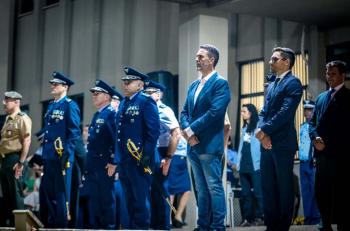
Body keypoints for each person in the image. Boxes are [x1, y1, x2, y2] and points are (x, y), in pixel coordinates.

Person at [180, 44, 231, 231]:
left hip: (209, 145)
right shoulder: (194, 85)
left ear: (212, 60)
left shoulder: (220, 83)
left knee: (214, 188)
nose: (197, 59)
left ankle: (218, 226)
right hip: (193, 146)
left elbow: (215, 113)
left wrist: (191, 129)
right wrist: (188, 132)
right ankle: (203, 226)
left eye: (201, 57)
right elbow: (184, 111)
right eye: (196, 56)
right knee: (200, 190)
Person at [255, 47, 303, 231]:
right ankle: (271, 225)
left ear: (286, 62)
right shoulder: (273, 84)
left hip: (282, 143)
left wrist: (265, 130)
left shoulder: (293, 83)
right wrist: (261, 131)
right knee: (267, 186)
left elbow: (285, 113)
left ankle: (283, 227)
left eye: (274, 59)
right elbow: (264, 111)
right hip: (266, 142)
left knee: (284, 187)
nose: (270, 62)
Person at [115, 67, 160, 229]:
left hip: (140, 159)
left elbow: (153, 132)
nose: (125, 84)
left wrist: (146, 157)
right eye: (124, 82)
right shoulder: (123, 103)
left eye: (129, 82)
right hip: (125, 160)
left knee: (140, 200)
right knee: (129, 201)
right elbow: (119, 134)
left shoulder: (146, 101)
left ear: (140, 85)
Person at [309, 60, 350, 231]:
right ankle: (324, 222)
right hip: (322, 153)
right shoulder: (320, 98)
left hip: (342, 153)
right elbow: (312, 123)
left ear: (343, 75)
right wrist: (315, 138)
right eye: (327, 73)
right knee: (321, 190)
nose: (329, 76)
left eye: (333, 73)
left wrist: (327, 143)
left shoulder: (349, 97)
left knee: (342, 191)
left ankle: (344, 223)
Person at [39, 71, 81, 228]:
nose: (52, 86)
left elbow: (74, 132)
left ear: (65, 87)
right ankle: (50, 224)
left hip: (62, 156)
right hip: (49, 156)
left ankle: (61, 225)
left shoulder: (70, 105)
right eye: (52, 83)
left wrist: (67, 154)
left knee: (61, 193)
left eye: (56, 84)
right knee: (48, 192)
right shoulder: (51, 105)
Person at [144, 80, 181, 230]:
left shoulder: (164, 110)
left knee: (161, 189)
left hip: (162, 150)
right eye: (144, 92)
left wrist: (168, 158)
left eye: (149, 93)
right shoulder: (145, 108)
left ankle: (164, 224)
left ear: (158, 95)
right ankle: (154, 223)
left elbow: (176, 133)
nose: (145, 95)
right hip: (148, 151)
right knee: (150, 189)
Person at [85, 80, 118, 229]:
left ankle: (109, 226)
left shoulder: (111, 114)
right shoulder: (97, 115)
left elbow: (116, 140)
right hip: (94, 163)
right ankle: (97, 226)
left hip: (105, 163)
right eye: (93, 94)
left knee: (106, 198)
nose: (94, 96)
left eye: (97, 94)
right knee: (95, 198)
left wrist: (113, 161)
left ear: (106, 96)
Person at [0, 91, 32, 226]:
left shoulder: (23, 118)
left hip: (15, 159)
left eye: (7, 101)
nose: (4, 103)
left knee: (16, 195)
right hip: (5, 160)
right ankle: (8, 226)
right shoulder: (7, 119)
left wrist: (21, 162)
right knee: (6, 196)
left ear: (17, 102)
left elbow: (27, 140)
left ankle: (19, 227)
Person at [237, 104, 264, 227]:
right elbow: (241, 148)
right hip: (244, 166)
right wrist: (238, 164)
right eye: (241, 111)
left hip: (255, 165)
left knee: (258, 193)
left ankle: (261, 217)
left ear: (251, 113)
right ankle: (247, 218)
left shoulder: (258, 126)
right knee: (246, 194)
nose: (242, 113)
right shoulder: (244, 129)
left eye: (244, 111)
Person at [298, 99, 320, 225]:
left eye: (310, 109)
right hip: (303, 162)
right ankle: (308, 217)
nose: (307, 112)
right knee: (305, 191)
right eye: (306, 109)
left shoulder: (317, 126)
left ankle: (316, 217)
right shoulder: (302, 126)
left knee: (314, 190)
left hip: (313, 162)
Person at [168, 136, 191, 229]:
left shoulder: (187, 125)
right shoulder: (172, 124)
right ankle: (168, 219)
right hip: (173, 157)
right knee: (171, 191)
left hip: (183, 159)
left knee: (187, 189)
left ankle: (178, 216)